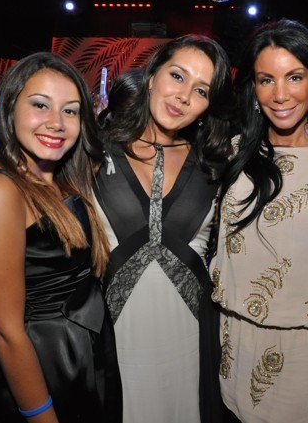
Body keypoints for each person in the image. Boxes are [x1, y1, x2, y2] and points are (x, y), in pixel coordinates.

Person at [210, 19, 308, 423]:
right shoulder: (236, 151)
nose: (280, 94)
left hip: (307, 339)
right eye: (267, 80)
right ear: (254, 87)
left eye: (294, 77)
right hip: (239, 332)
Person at [0, 51, 122, 423]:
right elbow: (5, 331)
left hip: (82, 349)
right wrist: (40, 414)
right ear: (10, 107)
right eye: (40, 105)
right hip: (44, 361)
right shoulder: (0, 191)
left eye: (70, 111)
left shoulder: (59, 175)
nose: (56, 123)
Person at [93, 34, 236, 423]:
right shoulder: (93, 153)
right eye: (177, 75)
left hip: (191, 336)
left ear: (208, 105)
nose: (184, 96)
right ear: (153, 74)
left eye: (201, 90)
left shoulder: (216, 166)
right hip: (115, 338)